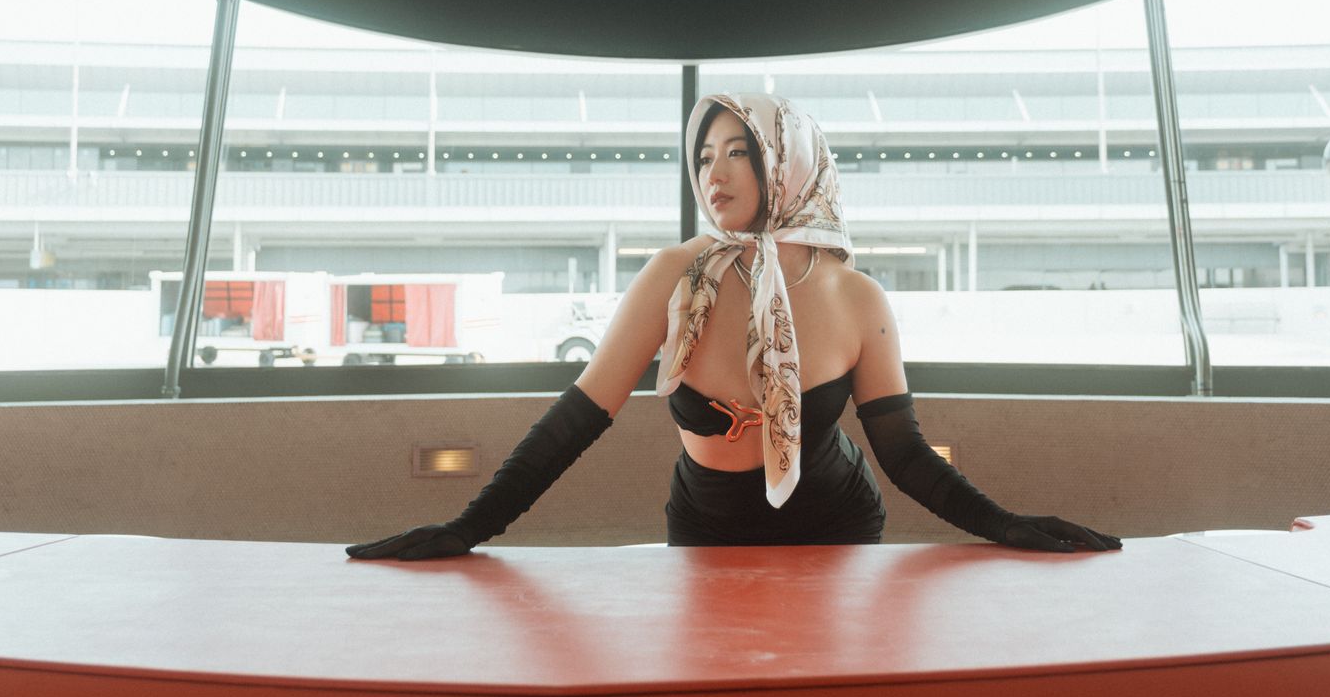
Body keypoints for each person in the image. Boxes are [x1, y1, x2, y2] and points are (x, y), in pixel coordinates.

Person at [348, 93, 1121, 558]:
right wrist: (468, 527)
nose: (713, 175)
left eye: (739, 153)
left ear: (785, 163)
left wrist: (1005, 526)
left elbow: (904, 454)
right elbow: (575, 420)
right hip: (707, 526)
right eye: (704, 156)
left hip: (837, 520)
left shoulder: (855, 297)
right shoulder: (673, 276)